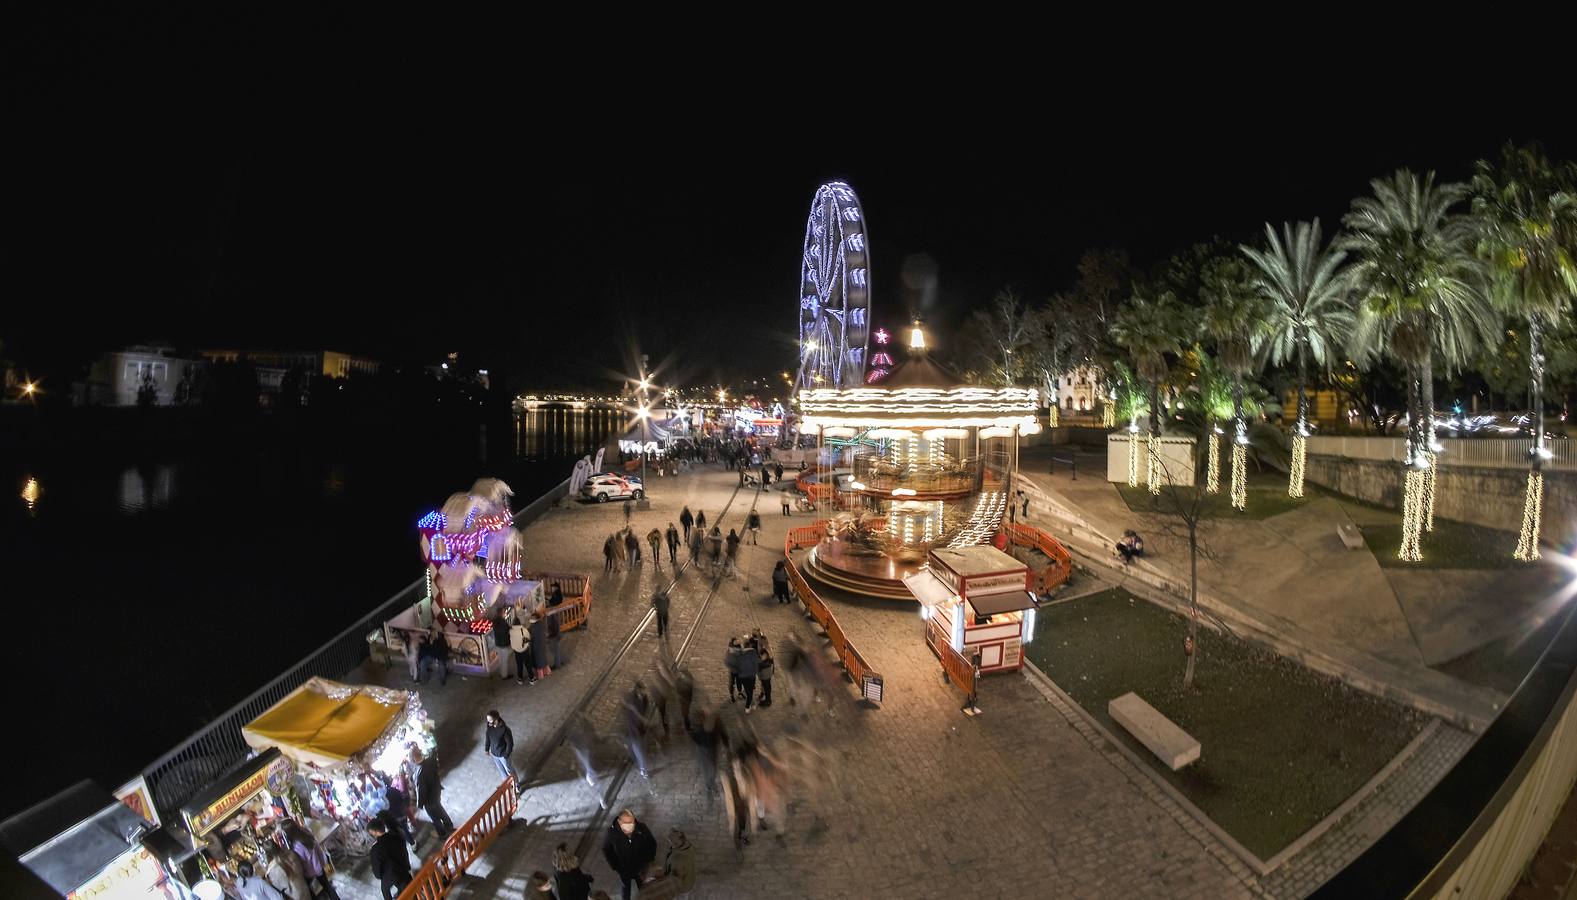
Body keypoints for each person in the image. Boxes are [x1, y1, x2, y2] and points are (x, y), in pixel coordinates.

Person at [601, 809, 657, 900]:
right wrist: (615, 865)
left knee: (643, 887)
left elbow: (652, 844)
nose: (631, 826)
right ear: (619, 822)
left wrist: (648, 862)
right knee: (625, 887)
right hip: (624, 869)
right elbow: (606, 849)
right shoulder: (611, 833)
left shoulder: (642, 828)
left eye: (632, 822)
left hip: (641, 868)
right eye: (627, 823)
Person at [282, 819, 338, 900]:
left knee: (307, 889)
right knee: (327, 886)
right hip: (319, 863)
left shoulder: (296, 846)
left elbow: (301, 861)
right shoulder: (306, 831)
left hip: (311, 870)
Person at [411, 746, 455, 838]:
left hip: (429, 800)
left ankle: (442, 833)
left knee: (435, 817)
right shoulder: (430, 761)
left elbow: (421, 791)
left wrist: (419, 804)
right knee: (440, 810)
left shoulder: (418, 774)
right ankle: (449, 826)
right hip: (436, 792)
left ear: (414, 759)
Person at [368, 818, 412, 899]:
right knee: (406, 885)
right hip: (404, 869)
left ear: (373, 832)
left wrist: (381, 875)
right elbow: (405, 853)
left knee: (385, 890)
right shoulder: (397, 837)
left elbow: (377, 871)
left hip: (391, 875)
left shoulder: (375, 849)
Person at [485, 710, 517, 783]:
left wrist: (506, 755)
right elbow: (488, 737)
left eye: (490, 720)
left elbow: (510, 744)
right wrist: (486, 749)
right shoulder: (489, 726)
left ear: (496, 720)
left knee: (510, 771)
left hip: (503, 755)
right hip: (494, 754)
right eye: (488, 720)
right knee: (502, 771)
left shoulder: (505, 730)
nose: (488, 722)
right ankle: (507, 785)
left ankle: (516, 785)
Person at [665, 828, 697, 898]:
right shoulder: (688, 847)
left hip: (682, 887)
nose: (668, 842)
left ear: (675, 844)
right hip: (689, 880)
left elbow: (676, 878)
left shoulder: (678, 860)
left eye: (669, 841)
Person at [382, 779, 416, 846]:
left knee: (403, 829)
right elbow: (402, 798)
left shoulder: (383, 799)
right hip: (402, 813)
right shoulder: (393, 791)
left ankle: (411, 843)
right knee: (405, 828)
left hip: (395, 817)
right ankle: (412, 843)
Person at [510, 609, 536, 684]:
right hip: (524, 650)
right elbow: (528, 637)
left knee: (519, 665)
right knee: (528, 664)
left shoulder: (511, 631)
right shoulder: (524, 630)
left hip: (516, 651)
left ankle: (520, 679)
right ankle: (532, 679)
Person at [735, 635, 759, 713]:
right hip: (750, 676)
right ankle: (747, 707)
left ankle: (752, 703)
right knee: (750, 693)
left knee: (748, 690)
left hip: (742, 677)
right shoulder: (753, 653)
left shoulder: (740, 653)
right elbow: (756, 664)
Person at [490, 605, 513, 680]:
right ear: (501, 613)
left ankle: (502, 673)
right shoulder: (502, 622)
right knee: (504, 660)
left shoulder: (495, 621)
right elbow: (506, 631)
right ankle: (504, 675)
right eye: (504, 612)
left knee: (500, 659)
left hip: (498, 643)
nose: (505, 613)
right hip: (503, 643)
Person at [530, 612, 552, 679]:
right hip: (542, 644)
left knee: (538, 660)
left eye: (532, 618)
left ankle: (541, 675)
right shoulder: (541, 624)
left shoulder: (533, 626)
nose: (531, 619)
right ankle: (547, 671)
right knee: (543, 658)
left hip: (537, 645)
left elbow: (532, 636)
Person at [725, 637, 742, 703]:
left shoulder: (739, 648)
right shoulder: (729, 651)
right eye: (735, 641)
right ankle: (732, 696)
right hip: (732, 670)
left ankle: (740, 693)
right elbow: (726, 661)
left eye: (737, 641)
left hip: (738, 670)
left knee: (739, 682)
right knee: (732, 683)